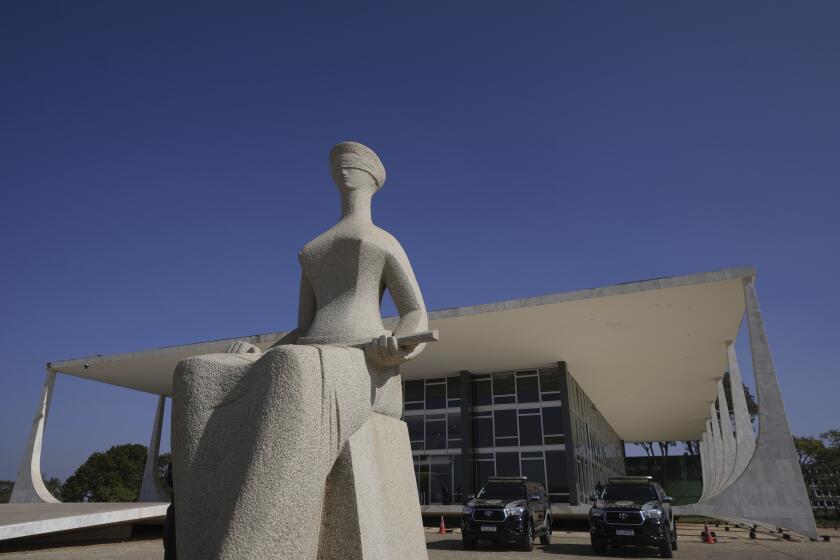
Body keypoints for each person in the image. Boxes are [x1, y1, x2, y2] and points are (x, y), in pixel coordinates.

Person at [172, 141, 429, 559]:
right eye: (337, 166)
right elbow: (305, 326)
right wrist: (258, 351)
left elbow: (416, 314)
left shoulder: (383, 241)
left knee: (293, 366)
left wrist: (397, 349)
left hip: (368, 365)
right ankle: (199, 538)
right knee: (196, 373)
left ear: (372, 179)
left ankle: (256, 546)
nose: (343, 172)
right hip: (310, 352)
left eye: (352, 166)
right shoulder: (313, 248)